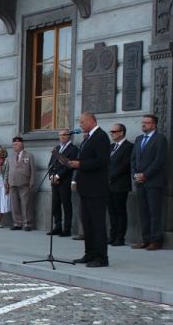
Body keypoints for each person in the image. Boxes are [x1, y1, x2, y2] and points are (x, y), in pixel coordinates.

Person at [68, 112, 111, 267]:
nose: (80, 125)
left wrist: (80, 164)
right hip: (85, 187)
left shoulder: (101, 136)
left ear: (91, 121)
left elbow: (102, 161)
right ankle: (89, 253)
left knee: (97, 223)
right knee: (87, 223)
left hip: (97, 188)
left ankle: (101, 257)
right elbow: (86, 159)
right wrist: (73, 162)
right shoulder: (87, 137)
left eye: (82, 122)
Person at [131, 114, 168, 251]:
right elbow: (133, 159)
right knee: (143, 212)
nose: (143, 125)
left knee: (154, 212)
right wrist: (135, 174)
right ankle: (145, 239)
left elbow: (159, 161)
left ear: (154, 125)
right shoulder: (139, 139)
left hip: (154, 182)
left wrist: (145, 175)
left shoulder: (160, 139)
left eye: (147, 123)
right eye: (143, 122)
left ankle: (155, 240)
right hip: (139, 182)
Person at [47, 129, 78, 237]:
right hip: (54, 181)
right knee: (55, 204)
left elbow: (69, 166)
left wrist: (58, 176)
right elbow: (51, 164)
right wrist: (51, 175)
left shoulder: (73, 149)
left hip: (65, 180)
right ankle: (57, 226)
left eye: (64, 135)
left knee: (66, 204)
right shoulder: (57, 148)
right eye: (60, 135)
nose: (62, 137)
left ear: (69, 136)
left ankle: (67, 228)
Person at [107, 123, 133, 246]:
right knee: (111, 211)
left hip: (120, 184)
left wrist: (110, 176)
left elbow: (125, 165)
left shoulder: (128, 147)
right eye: (111, 132)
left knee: (120, 211)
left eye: (114, 131)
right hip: (108, 185)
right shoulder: (111, 147)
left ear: (121, 132)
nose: (111, 133)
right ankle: (112, 236)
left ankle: (120, 237)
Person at [8, 136, 35, 231]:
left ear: (22, 144)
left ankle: (27, 223)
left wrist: (32, 181)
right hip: (12, 183)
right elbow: (7, 170)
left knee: (25, 204)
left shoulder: (29, 155)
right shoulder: (11, 156)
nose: (14, 146)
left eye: (17, 144)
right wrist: (6, 182)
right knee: (14, 204)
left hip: (24, 183)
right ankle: (17, 223)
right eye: (13, 144)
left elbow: (33, 170)